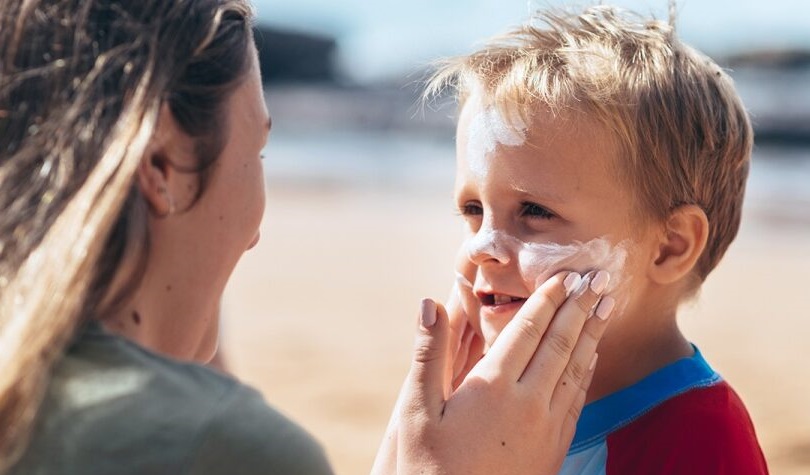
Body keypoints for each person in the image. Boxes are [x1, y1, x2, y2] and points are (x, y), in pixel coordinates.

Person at [0, 1, 610, 474]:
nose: (256, 234)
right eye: (258, 151)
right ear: (161, 165)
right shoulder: (220, 445)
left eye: (533, 210)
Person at [425, 4, 769, 474]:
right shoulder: (473, 402)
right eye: (473, 210)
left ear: (670, 246)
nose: (481, 246)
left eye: (534, 212)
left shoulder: (699, 439)